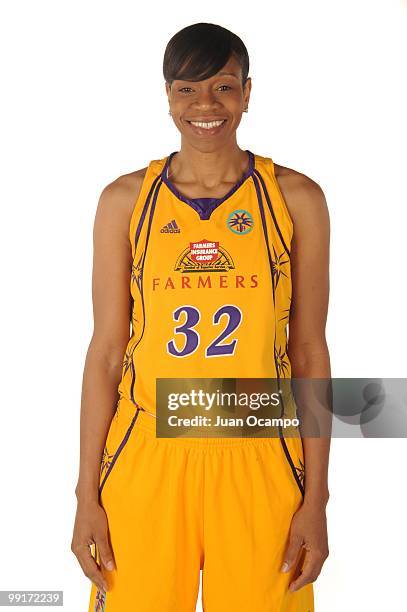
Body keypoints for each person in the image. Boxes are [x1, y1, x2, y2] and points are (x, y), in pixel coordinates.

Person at [71, 22, 331, 612]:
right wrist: (87, 493)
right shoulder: (125, 201)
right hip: (146, 451)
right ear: (167, 95)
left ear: (247, 91)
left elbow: (310, 352)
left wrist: (315, 499)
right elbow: (107, 353)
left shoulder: (295, 199)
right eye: (188, 89)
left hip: (260, 448)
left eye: (224, 86)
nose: (206, 105)